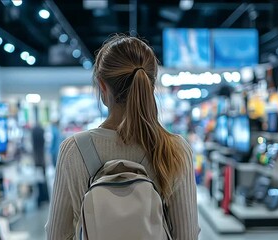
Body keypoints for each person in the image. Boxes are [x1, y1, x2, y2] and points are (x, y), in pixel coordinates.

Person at [46, 35, 200, 239]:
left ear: (102, 86)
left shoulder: (73, 149)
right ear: (151, 85)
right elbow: (186, 235)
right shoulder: (175, 149)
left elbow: (57, 235)